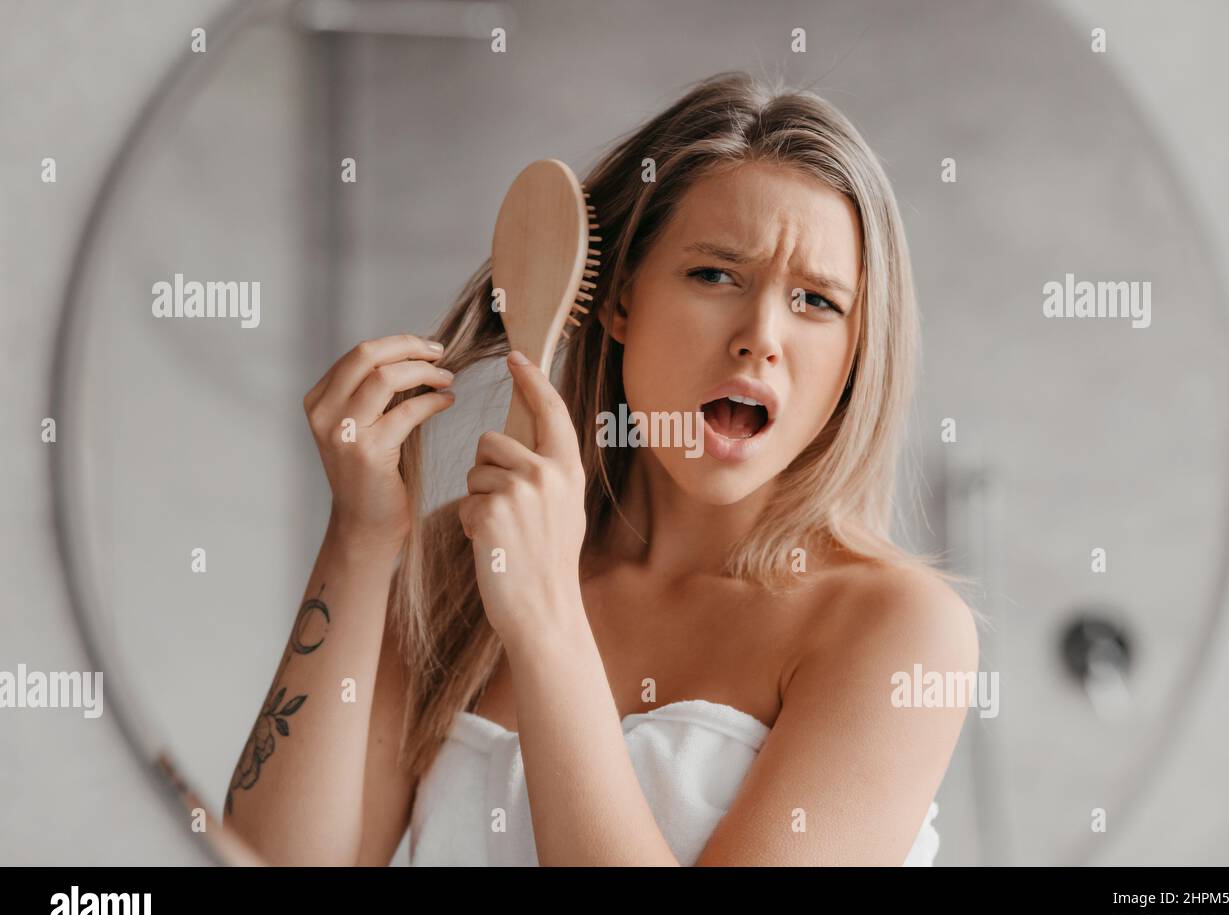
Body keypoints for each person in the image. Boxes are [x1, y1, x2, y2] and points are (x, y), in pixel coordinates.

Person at [221, 70, 980, 866]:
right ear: (618, 300)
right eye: (715, 274)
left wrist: (546, 620)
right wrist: (362, 537)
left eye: (816, 301)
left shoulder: (896, 629)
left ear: (858, 357)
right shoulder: (459, 561)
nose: (761, 335)